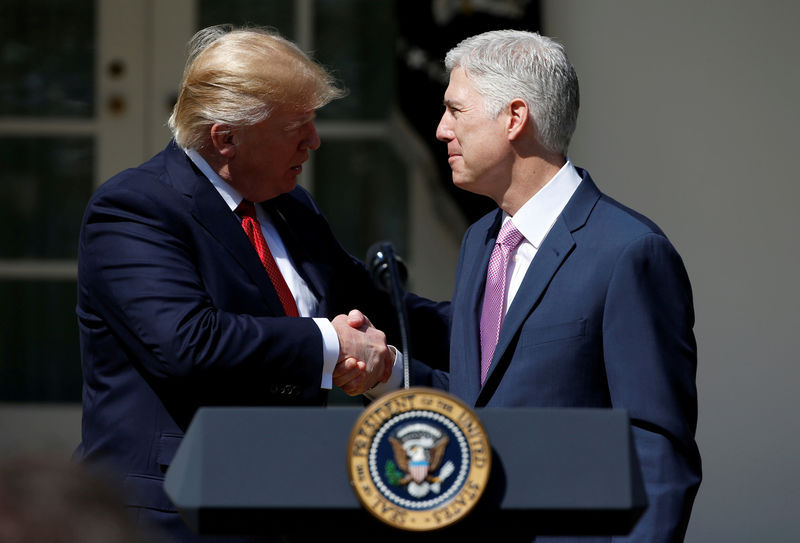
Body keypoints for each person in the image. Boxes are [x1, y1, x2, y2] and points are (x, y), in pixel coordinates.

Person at [365, 29, 701, 541]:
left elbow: (655, 451)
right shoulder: (481, 240)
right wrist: (387, 375)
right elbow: (480, 406)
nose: (439, 130)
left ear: (514, 118)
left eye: (456, 111)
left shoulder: (628, 252)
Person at [74, 25, 397, 542]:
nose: (314, 140)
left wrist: (499, 319)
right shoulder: (136, 208)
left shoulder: (292, 208)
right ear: (226, 137)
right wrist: (333, 343)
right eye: (297, 125)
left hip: (284, 505)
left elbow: (385, 307)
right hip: (172, 516)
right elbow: (188, 342)